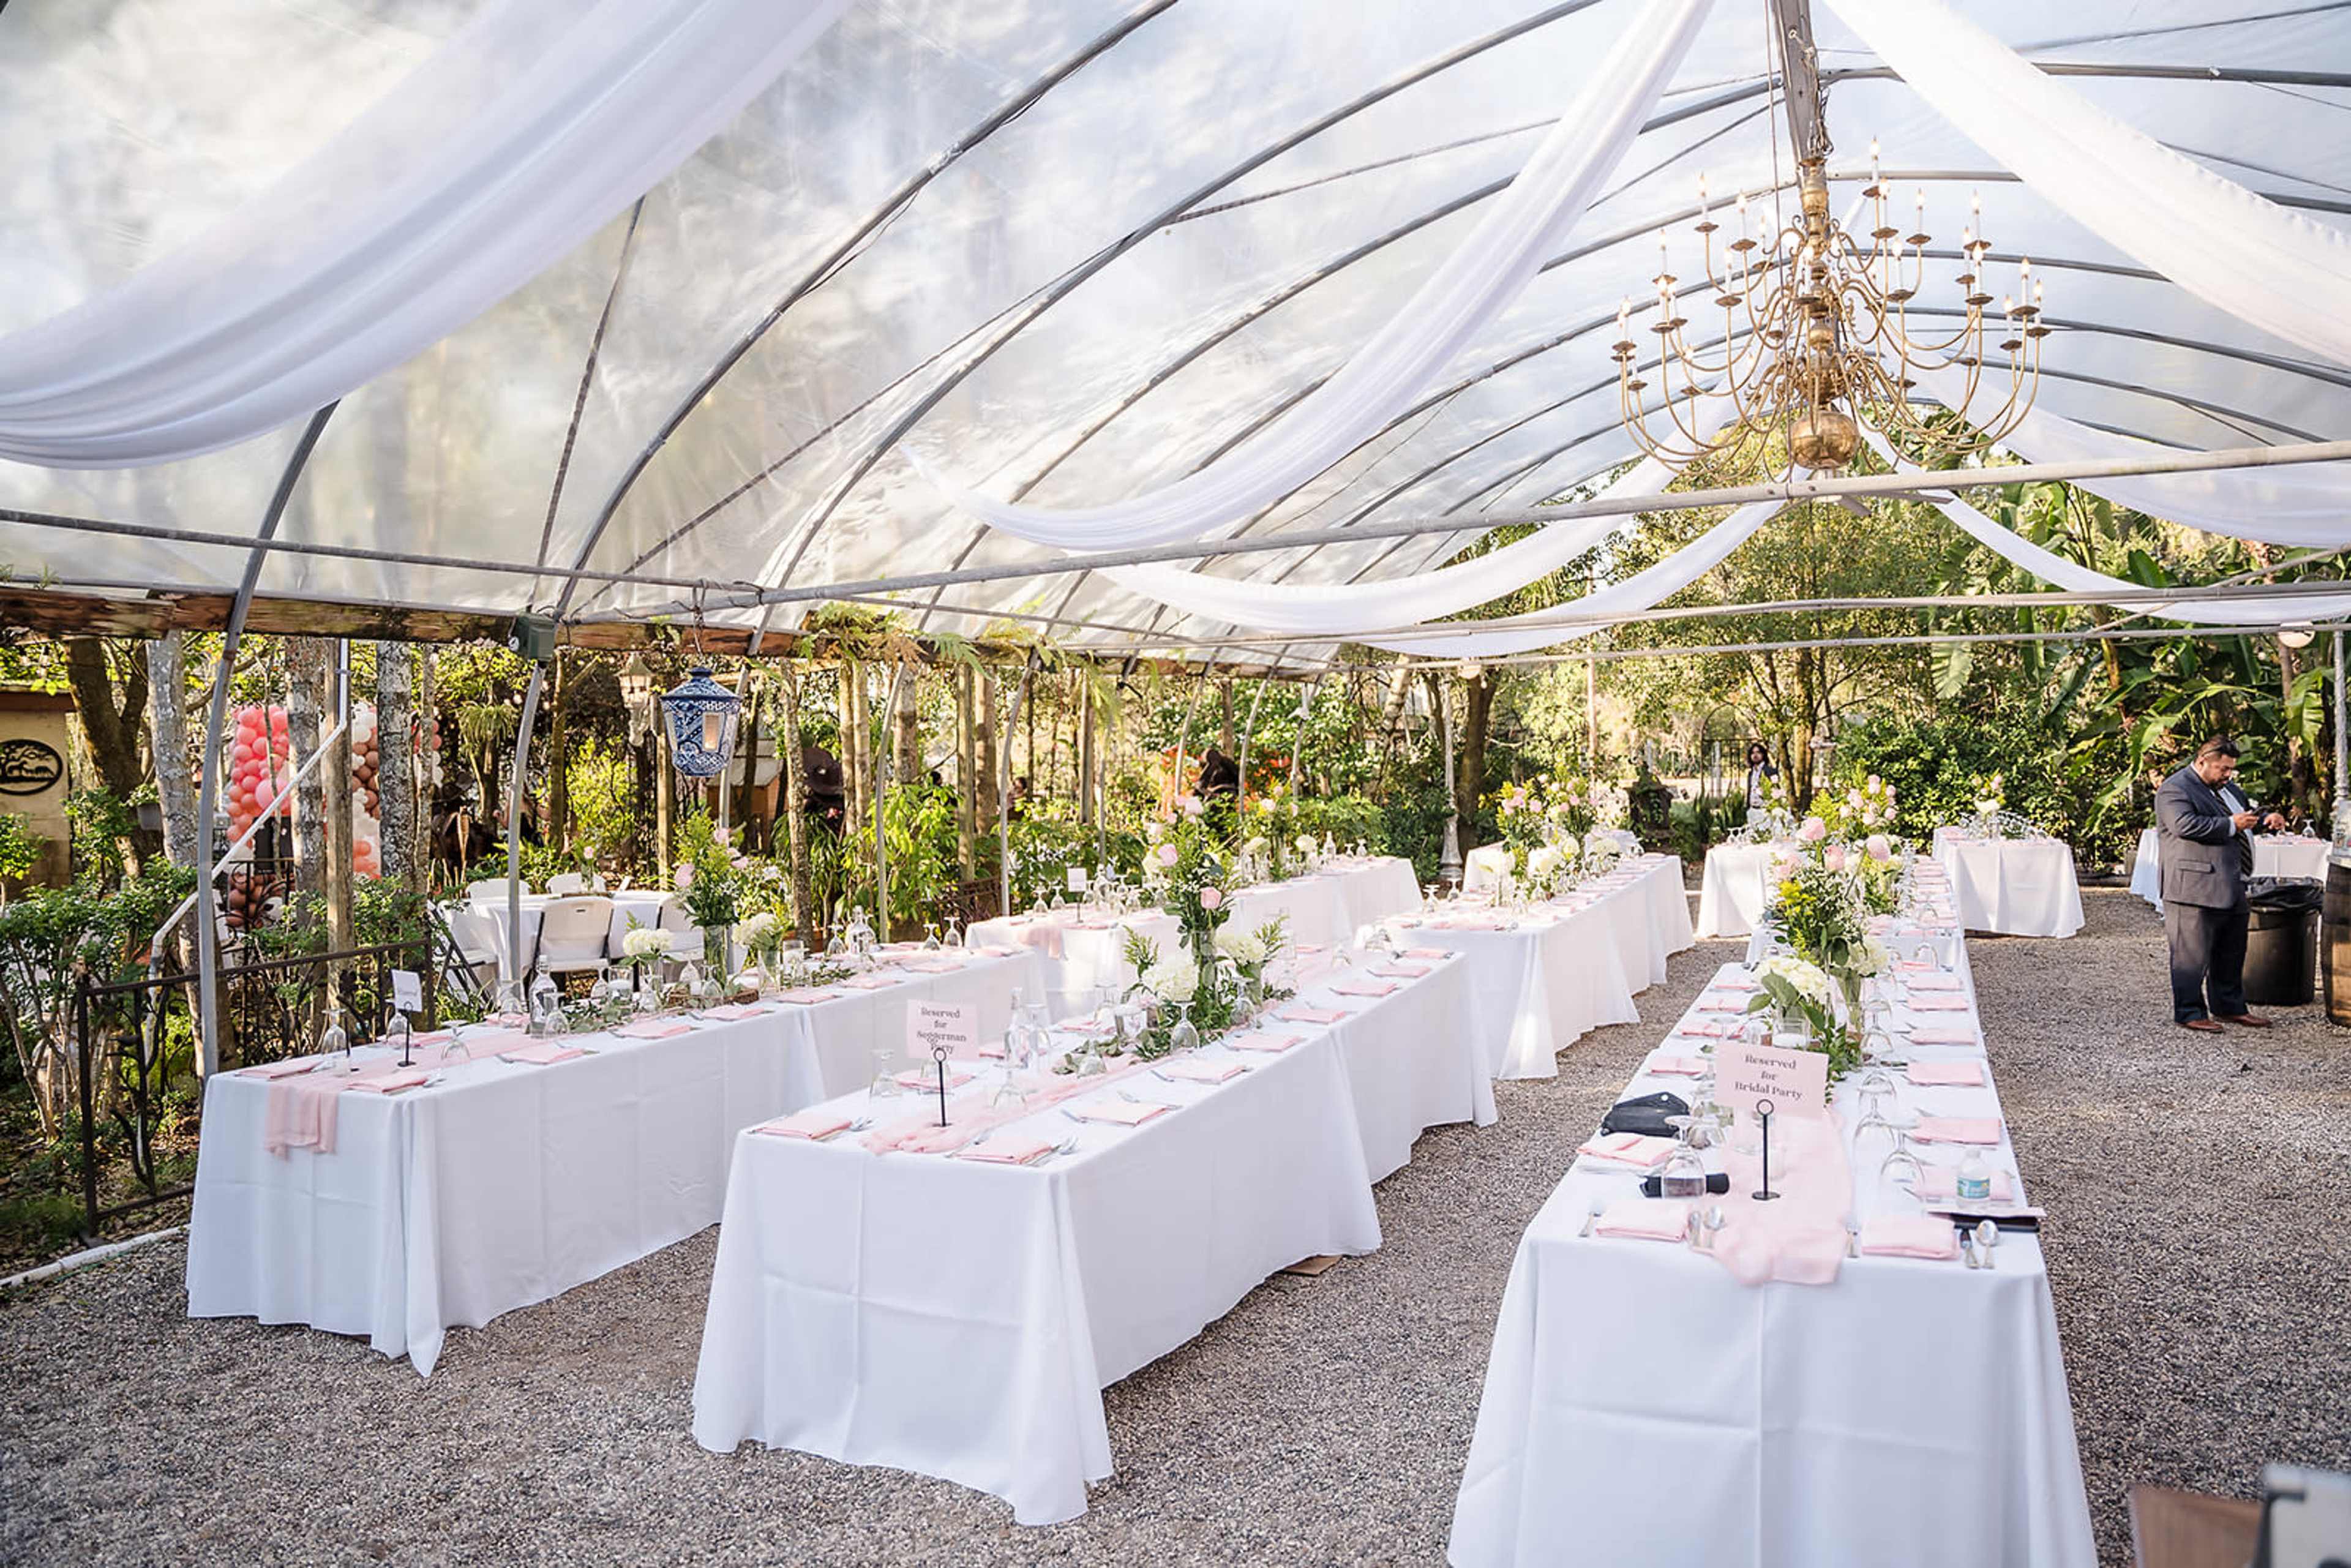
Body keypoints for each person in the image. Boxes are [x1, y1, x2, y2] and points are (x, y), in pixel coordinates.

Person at [2156, 737, 2288, 1032]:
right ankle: (2189, 1012)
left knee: (2231, 951)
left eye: (2231, 769)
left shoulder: (2227, 788)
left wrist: (2266, 818)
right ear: (2202, 761)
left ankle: (2229, 1007)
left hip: (2232, 883)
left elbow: (2246, 813)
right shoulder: (2175, 788)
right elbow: (2185, 825)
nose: (2228, 774)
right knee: (2191, 956)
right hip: (2193, 886)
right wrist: (2232, 825)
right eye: (2223, 768)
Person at [1742, 741, 1778, 811]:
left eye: (1758, 752)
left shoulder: (1770, 771)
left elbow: (1775, 791)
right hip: (1752, 810)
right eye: (1753, 753)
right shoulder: (1750, 773)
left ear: (1763, 754)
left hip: (1765, 810)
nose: (1755, 755)